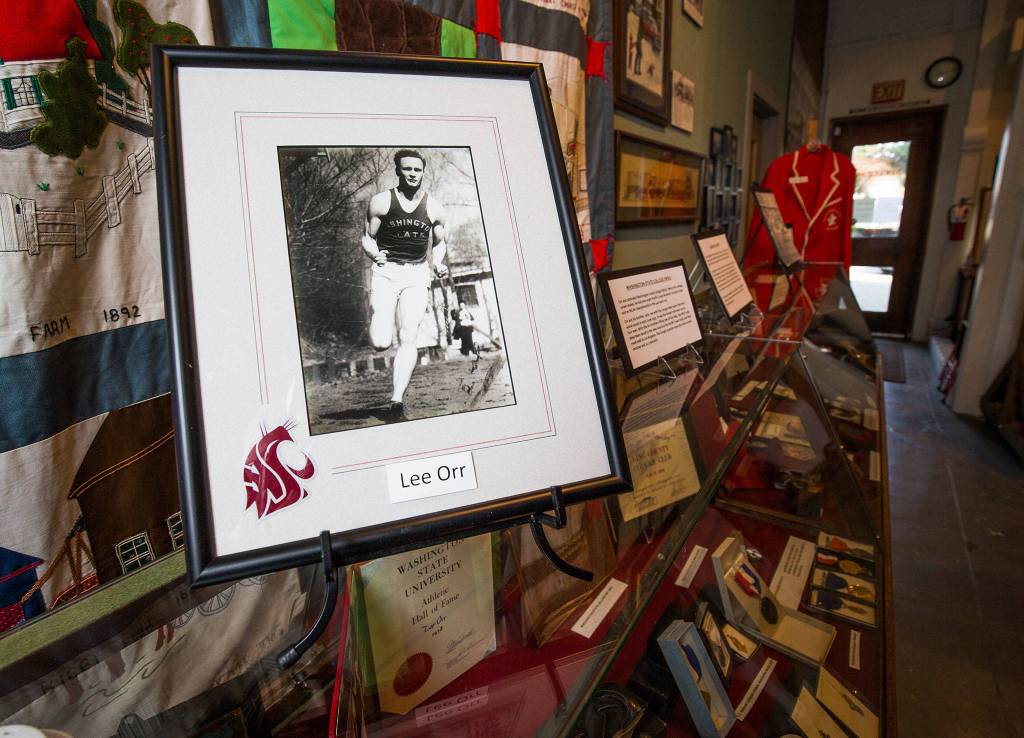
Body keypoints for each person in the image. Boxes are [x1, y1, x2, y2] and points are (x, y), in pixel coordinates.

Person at [361, 149, 448, 422]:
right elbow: (366, 238)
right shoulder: (381, 202)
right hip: (387, 273)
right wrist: (375, 254)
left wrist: (438, 263)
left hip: (416, 273)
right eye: (407, 169)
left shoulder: (434, 207)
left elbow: (441, 241)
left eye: (417, 170)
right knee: (380, 342)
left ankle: (396, 400)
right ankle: (378, 326)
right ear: (398, 171)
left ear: (422, 172)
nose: (413, 174)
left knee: (409, 335)